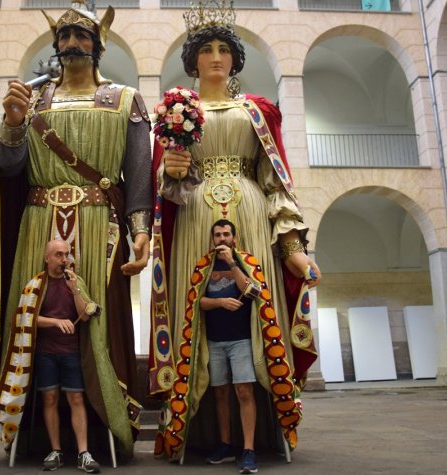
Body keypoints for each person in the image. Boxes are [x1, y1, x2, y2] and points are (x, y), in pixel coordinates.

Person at [0, 2, 152, 463]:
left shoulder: (126, 99)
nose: (71, 43)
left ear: (99, 44)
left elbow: (138, 174)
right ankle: (33, 433)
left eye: (82, 36)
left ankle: (100, 426)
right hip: (37, 224)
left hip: (99, 224)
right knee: (33, 317)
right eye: (64, 35)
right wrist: (11, 125)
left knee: (96, 323)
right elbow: (12, 170)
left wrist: (142, 231)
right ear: (56, 43)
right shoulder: (33, 100)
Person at [149, 0, 321, 466]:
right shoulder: (175, 111)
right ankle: (199, 429)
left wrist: (291, 246)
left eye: (225, 48)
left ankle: (262, 428)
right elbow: (163, 186)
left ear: (235, 58)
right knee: (197, 309)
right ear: (194, 59)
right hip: (193, 219)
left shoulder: (258, 110)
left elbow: (277, 179)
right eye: (207, 49)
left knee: (253, 310)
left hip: (249, 211)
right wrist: (172, 170)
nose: (216, 56)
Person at [35, 240, 101, 473]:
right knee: (50, 399)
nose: (64, 259)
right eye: (59, 255)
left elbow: (84, 316)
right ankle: (56, 451)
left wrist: (75, 290)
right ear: (47, 258)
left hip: (71, 351)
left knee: (75, 399)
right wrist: (55, 321)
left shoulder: (75, 281)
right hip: (46, 352)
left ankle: (84, 453)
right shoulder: (37, 284)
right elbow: (27, 317)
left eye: (67, 254)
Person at [202, 220, 262, 473]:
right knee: (220, 393)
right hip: (214, 341)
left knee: (244, 392)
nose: (222, 239)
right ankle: (225, 444)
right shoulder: (203, 266)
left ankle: (248, 449)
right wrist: (221, 303)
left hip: (241, 340)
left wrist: (232, 264)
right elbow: (198, 301)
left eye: (226, 234)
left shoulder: (246, 262)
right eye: (218, 235)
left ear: (234, 239)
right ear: (213, 239)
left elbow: (251, 291)